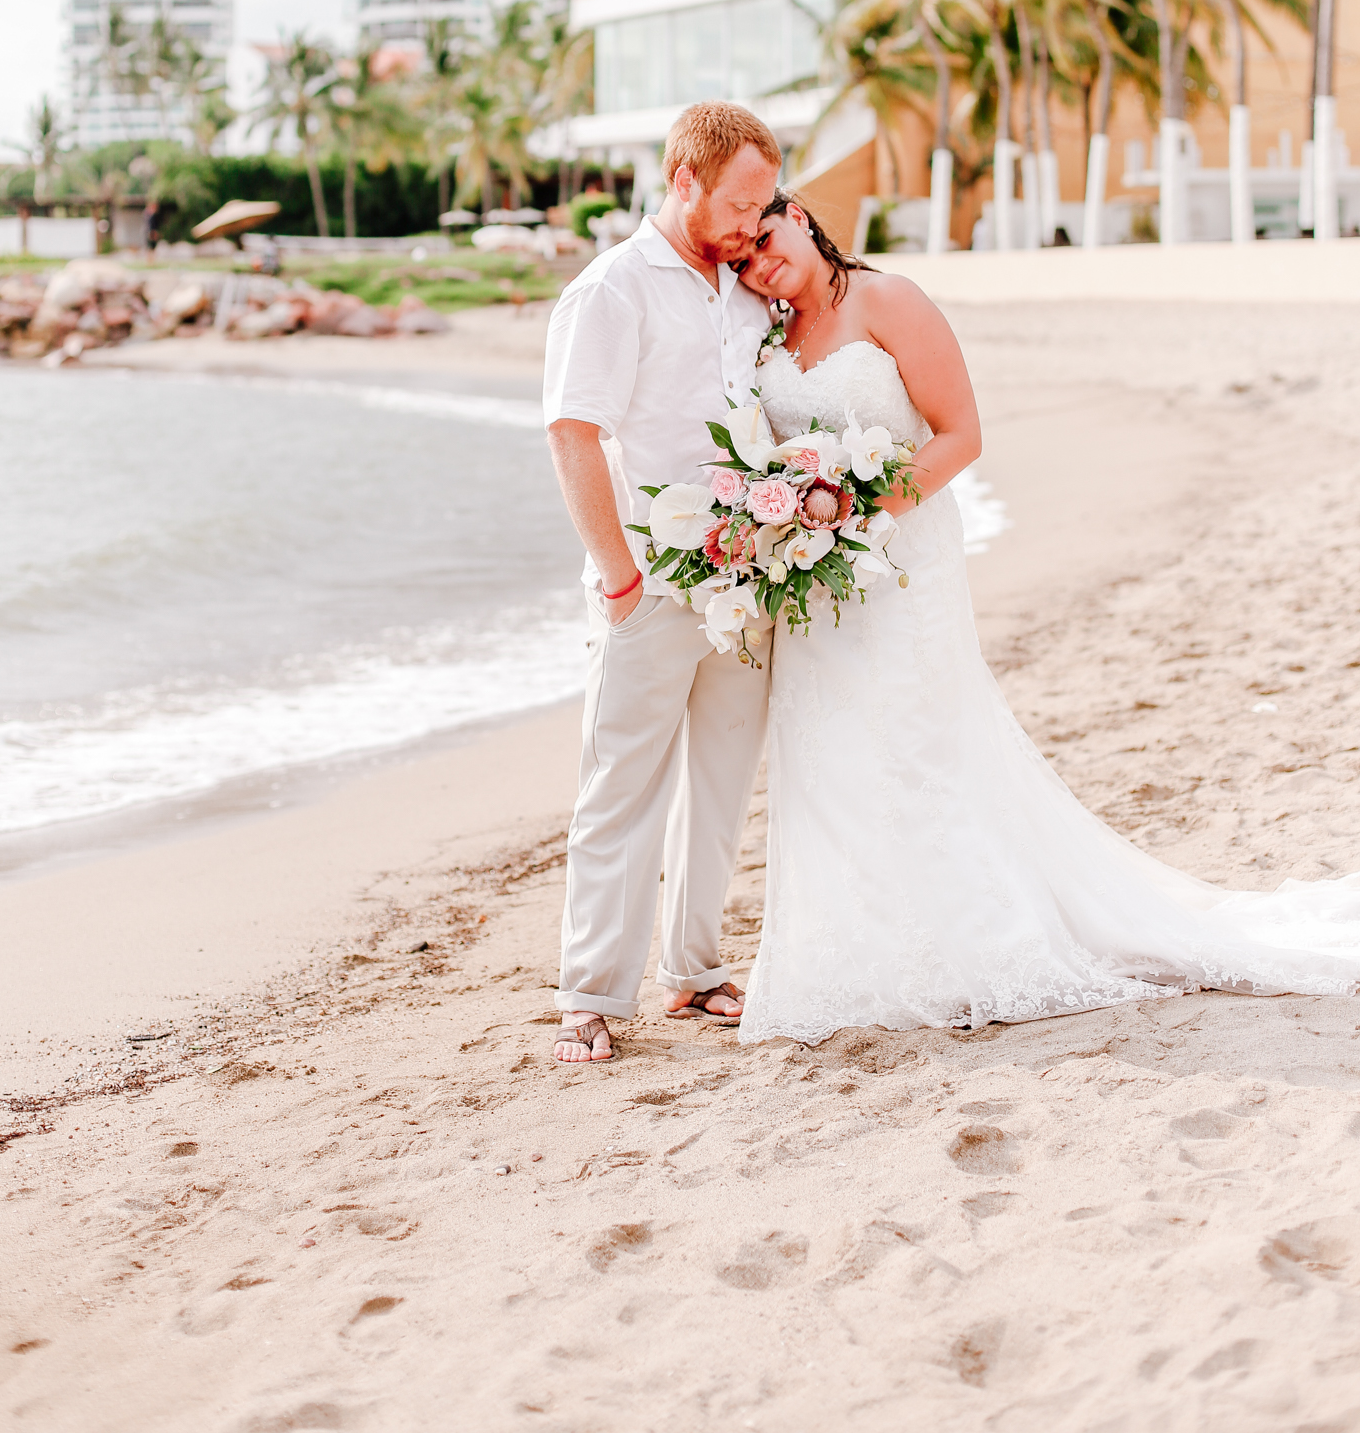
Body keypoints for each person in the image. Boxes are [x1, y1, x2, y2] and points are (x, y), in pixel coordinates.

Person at [735, 192, 1360, 1044]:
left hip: (904, 559)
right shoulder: (766, 336)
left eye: (763, 241)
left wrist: (862, 511)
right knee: (832, 756)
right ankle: (866, 956)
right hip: (818, 581)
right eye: (738, 260)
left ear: (799, 216)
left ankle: (974, 944)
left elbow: (960, 435)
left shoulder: (888, 301)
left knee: (917, 741)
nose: (756, 264)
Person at [543, 101, 784, 1064]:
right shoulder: (611, 290)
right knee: (621, 787)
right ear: (682, 180)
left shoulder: (742, 286)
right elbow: (573, 433)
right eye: (738, 203)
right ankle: (590, 994)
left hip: (751, 581)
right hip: (651, 581)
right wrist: (620, 579)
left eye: (763, 204)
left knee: (721, 785)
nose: (752, 223)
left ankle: (693, 971)